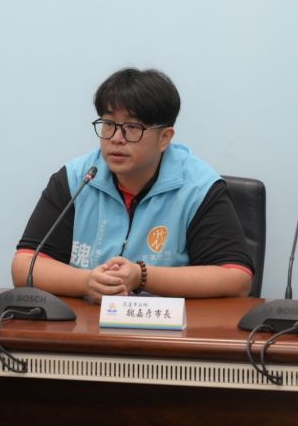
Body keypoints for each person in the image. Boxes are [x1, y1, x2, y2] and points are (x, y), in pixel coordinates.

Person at [14, 68, 254, 302]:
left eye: (132, 128)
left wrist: (142, 276)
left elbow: (237, 278)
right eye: (109, 124)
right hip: (87, 322)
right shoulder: (78, 179)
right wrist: (87, 282)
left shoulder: (198, 188)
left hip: (169, 326)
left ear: (164, 138)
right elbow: (25, 266)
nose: (116, 138)